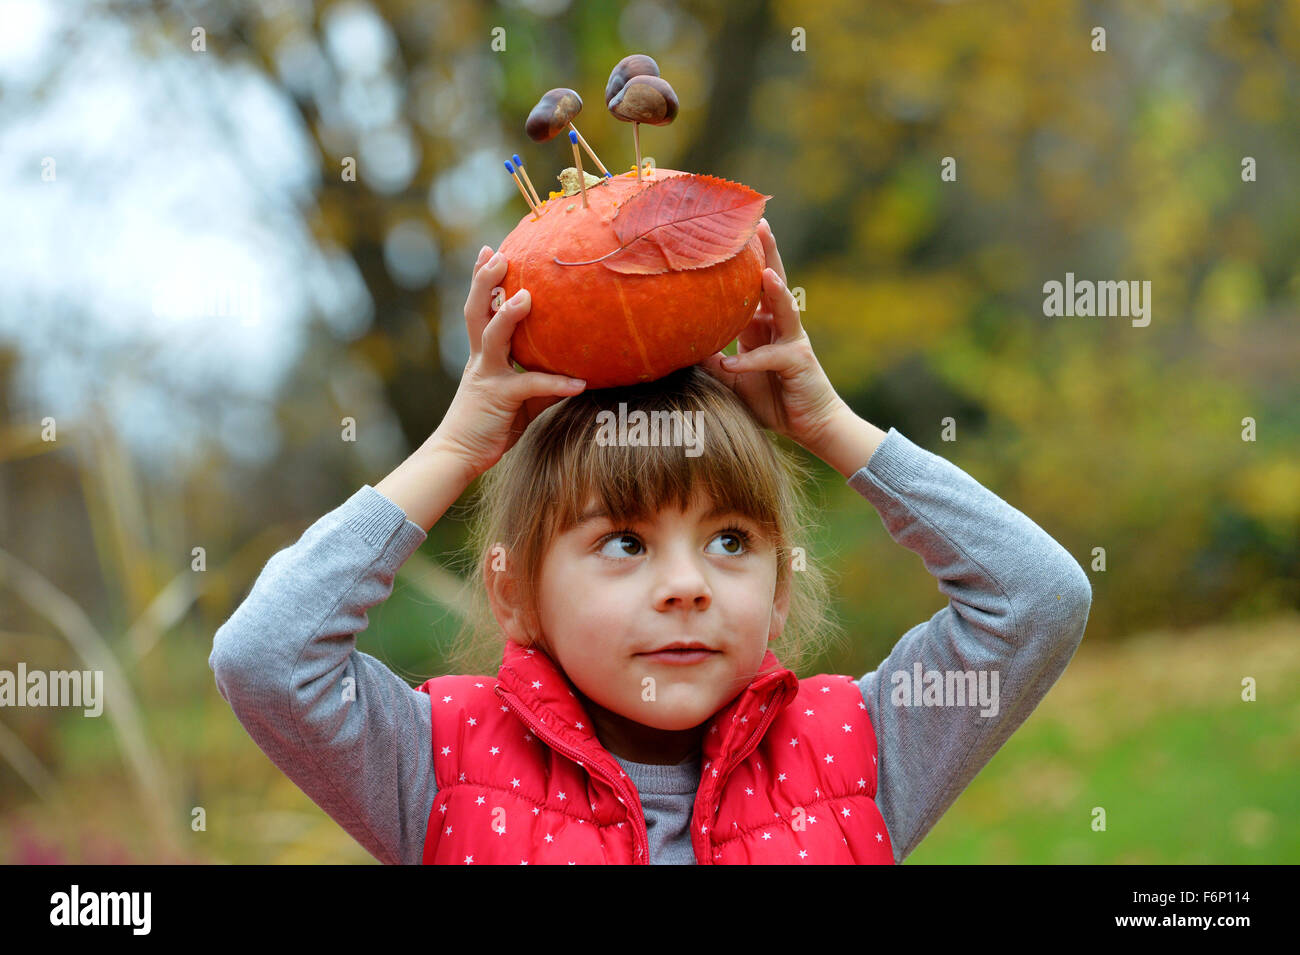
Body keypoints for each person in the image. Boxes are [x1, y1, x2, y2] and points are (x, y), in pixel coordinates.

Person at [209, 219, 1092, 864]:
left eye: (732, 541)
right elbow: (267, 657)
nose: (687, 586)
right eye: (626, 543)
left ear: (782, 587)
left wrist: (830, 425)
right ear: (512, 591)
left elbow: (1037, 598)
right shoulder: (440, 764)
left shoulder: (856, 750)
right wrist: (455, 449)